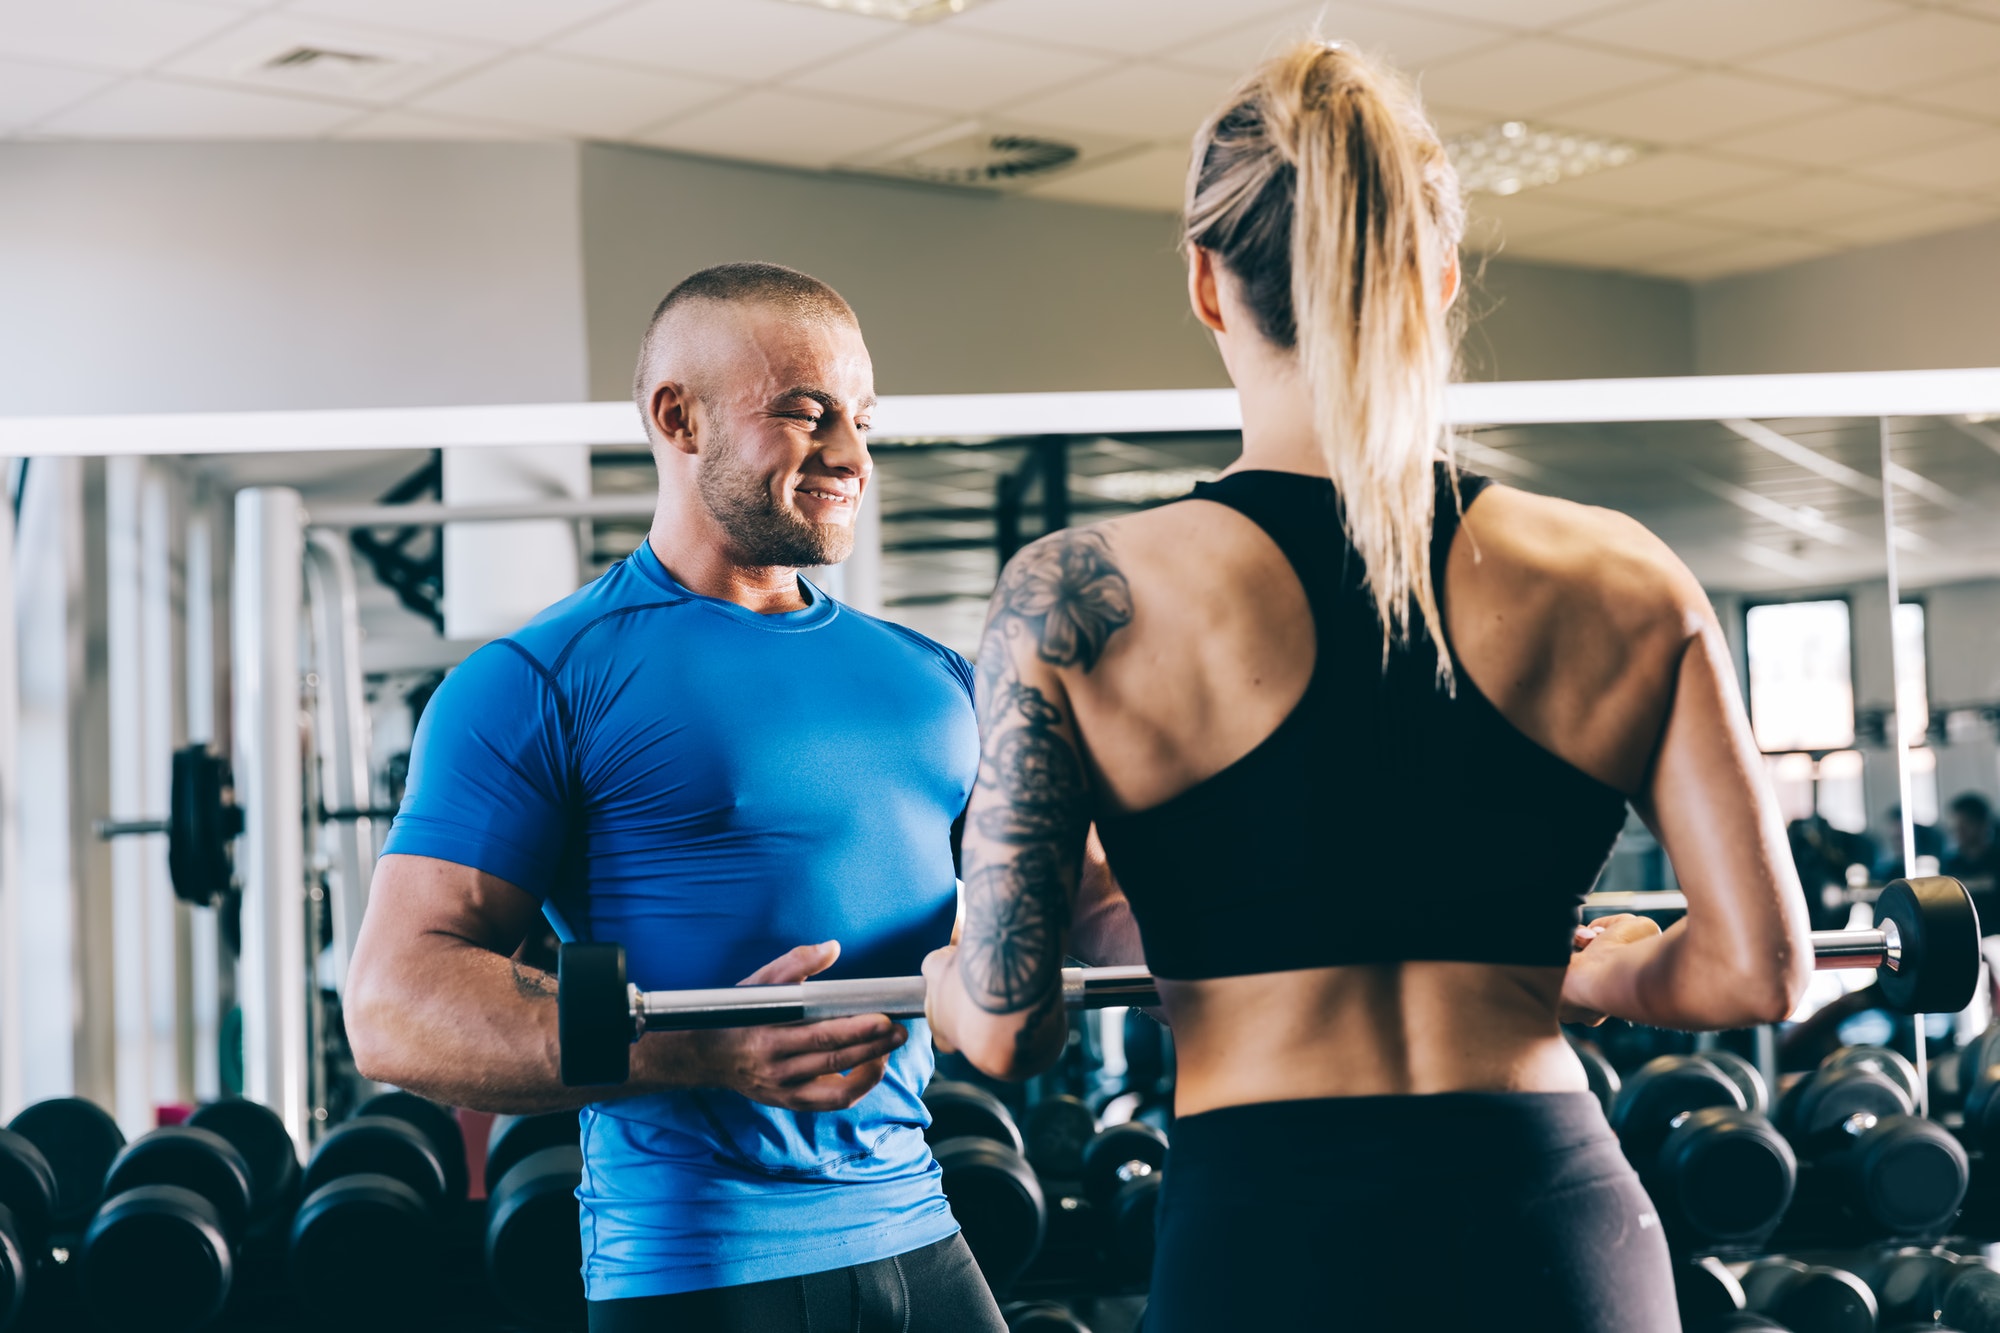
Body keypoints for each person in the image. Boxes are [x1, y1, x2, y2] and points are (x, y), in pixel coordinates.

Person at [922, 39, 1813, 1332]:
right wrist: (1602, 972)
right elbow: (1759, 972)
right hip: (1556, 1224)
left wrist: (948, 973)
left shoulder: (1074, 595)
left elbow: (1006, 1027)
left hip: (1271, 1236)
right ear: (1438, 280)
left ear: (1205, 284)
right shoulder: (1626, 578)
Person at [345, 263, 1144, 1331]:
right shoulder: (538, 680)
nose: (851, 457)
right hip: (701, 1266)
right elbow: (393, 1004)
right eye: (807, 415)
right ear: (678, 417)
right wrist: (699, 1050)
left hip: (921, 1230)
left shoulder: (934, 677)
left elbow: (1085, 900)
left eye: (861, 422)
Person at [1945, 791, 2000, 927]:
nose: (1959, 830)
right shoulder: (1951, 865)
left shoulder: (1996, 861)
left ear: (1982, 824)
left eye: (1966, 824)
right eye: (1956, 825)